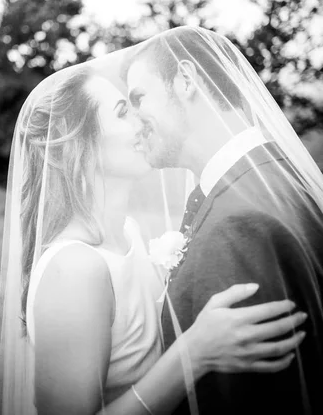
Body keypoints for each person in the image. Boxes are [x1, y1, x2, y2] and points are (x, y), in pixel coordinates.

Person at [0, 64, 305, 415]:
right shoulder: (75, 268)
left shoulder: (129, 233)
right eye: (124, 112)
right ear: (70, 144)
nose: (143, 122)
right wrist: (193, 355)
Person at [123, 26, 323, 415]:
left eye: (139, 98)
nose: (132, 121)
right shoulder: (277, 176)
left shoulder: (239, 225)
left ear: (186, 79)